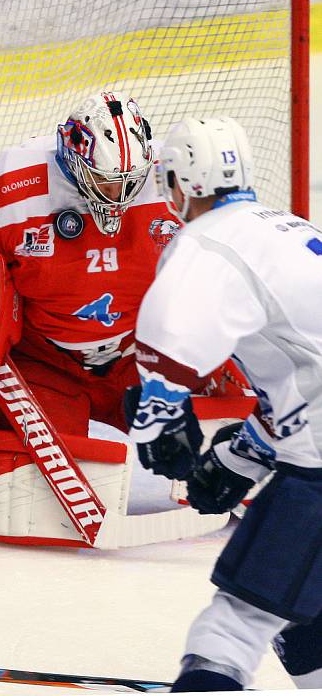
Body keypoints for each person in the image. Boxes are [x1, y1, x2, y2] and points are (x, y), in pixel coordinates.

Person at [125, 116, 322, 691]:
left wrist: (160, 405)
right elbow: (302, 384)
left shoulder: (210, 240)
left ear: (180, 181)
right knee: (300, 609)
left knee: (236, 624)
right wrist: (241, 457)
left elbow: (172, 334)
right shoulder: (286, 230)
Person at [0, 91, 182, 439]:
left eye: (130, 181)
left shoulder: (173, 175)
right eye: (105, 180)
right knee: (41, 474)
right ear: (74, 158)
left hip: (139, 355)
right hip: (43, 362)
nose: (119, 194)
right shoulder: (12, 182)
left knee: (202, 441)